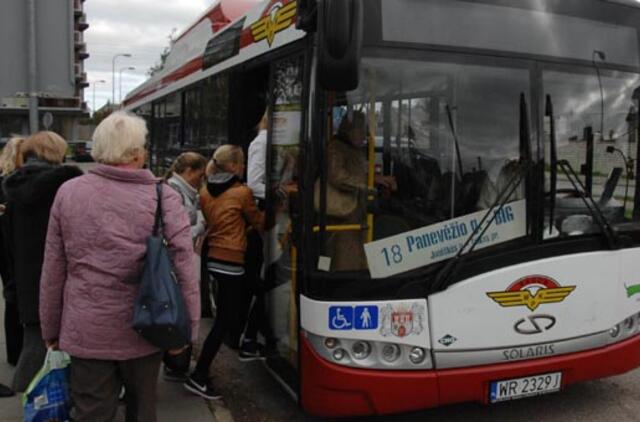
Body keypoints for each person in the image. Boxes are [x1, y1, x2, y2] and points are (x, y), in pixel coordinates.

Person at [39, 112, 200, 422]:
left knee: (91, 412)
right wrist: (187, 330)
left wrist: (50, 326)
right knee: (142, 409)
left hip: (86, 328)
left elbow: (54, 267)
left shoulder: (69, 192)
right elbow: (184, 266)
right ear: (138, 152)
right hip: (148, 325)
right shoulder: (162, 196)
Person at [2, 132, 83, 392]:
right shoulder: (68, 186)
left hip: (27, 276)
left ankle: (29, 393)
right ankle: (33, 396)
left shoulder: (13, 188)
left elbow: (8, 240)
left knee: (34, 339)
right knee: (54, 345)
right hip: (60, 274)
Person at [184, 144, 264, 400]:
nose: (243, 168)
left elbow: (222, 222)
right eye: (241, 164)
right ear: (232, 166)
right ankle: (199, 375)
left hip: (214, 258)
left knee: (230, 315)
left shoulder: (206, 191)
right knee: (224, 323)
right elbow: (260, 223)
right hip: (232, 260)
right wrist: (280, 208)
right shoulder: (242, 192)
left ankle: (244, 343)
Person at [323, 110, 396, 271]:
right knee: (346, 259)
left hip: (355, 213)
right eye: (361, 131)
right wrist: (368, 184)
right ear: (349, 130)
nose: (365, 136)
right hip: (342, 215)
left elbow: (356, 172)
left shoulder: (353, 149)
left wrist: (377, 179)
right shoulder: (336, 147)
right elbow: (337, 176)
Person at [162, 152, 207, 382]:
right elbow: (177, 234)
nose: (202, 179)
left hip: (178, 262)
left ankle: (175, 362)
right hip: (175, 265)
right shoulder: (175, 193)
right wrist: (201, 226)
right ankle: (174, 363)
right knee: (178, 314)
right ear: (188, 171)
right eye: (200, 174)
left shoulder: (182, 191)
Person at [241, 112, 277, 361]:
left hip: (275, 215)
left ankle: (258, 335)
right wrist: (280, 191)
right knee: (268, 279)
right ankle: (251, 337)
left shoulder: (272, 141)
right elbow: (253, 183)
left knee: (271, 278)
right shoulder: (263, 141)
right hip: (268, 215)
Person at [0, 137, 24, 367]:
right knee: (14, 295)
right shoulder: (12, 182)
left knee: (13, 296)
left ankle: (15, 352)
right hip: (9, 246)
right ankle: (16, 351)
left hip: (7, 245)